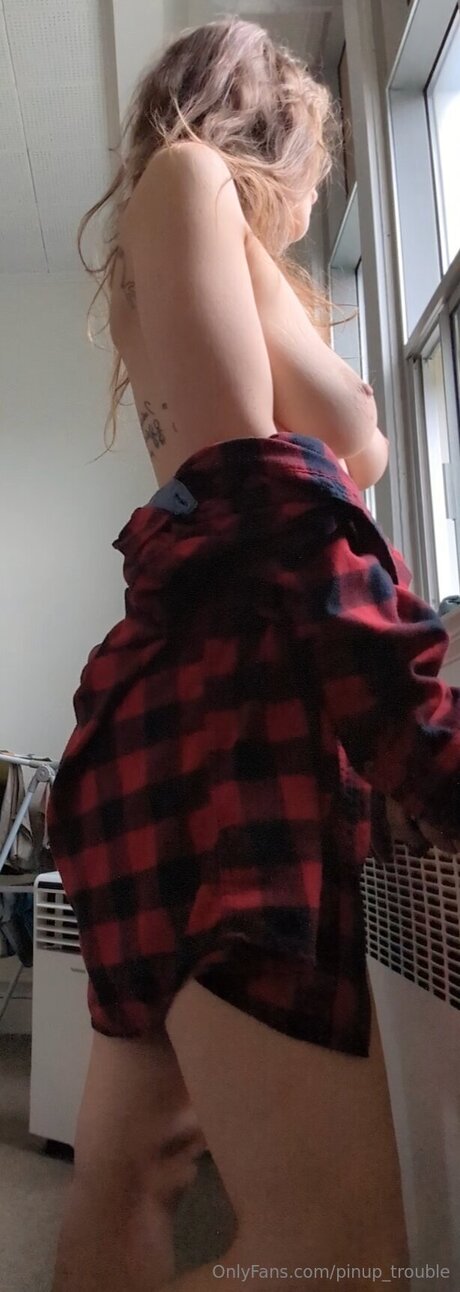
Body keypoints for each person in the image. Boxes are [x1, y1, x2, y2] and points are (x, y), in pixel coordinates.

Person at [47, 18, 460, 1292]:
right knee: (338, 1253)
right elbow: (260, 496)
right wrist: (421, 730)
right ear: (273, 127)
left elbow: (295, 465)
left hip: (180, 723)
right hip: (227, 734)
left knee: (136, 1170)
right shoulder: (192, 182)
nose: (311, 200)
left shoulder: (205, 240)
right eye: (316, 166)